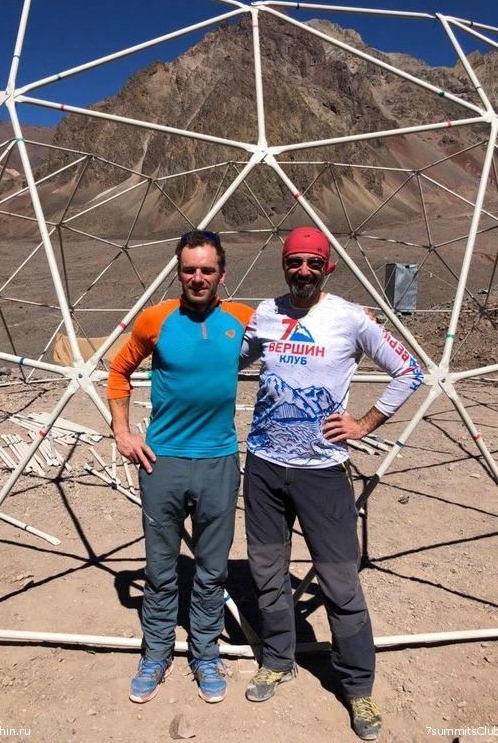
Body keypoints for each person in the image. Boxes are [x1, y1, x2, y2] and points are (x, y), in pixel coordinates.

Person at [239, 227, 423, 741]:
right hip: (264, 466)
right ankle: (278, 660)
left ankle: (358, 687)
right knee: (267, 572)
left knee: (340, 581)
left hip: (322, 473)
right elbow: (229, 361)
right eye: (294, 261)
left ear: (327, 267)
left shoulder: (350, 318)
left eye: (312, 263)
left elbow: (408, 371)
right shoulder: (265, 313)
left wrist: (364, 423)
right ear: (284, 264)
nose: (303, 270)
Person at [107, 230, 253, 705]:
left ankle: (205, 654)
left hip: (218, 461)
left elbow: (300, 322)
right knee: (160, 568)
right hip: (163, 461)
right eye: (189, 269)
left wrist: (357, 316)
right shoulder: (156, 319)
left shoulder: (243, 319)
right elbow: (118, 370)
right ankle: (156, 653)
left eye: (207, 270)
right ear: (179, 272)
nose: (198, 277)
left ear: (221, 274)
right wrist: (122, 432)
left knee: (211, 570)